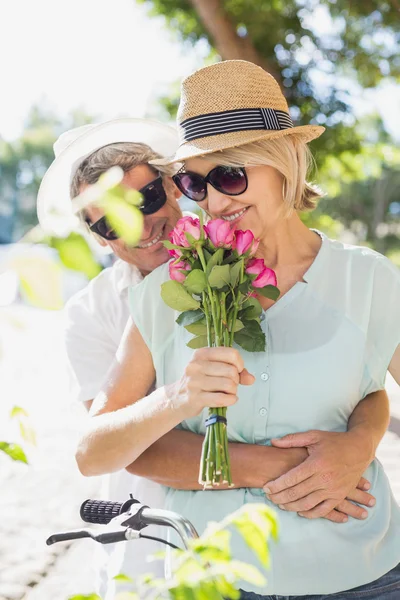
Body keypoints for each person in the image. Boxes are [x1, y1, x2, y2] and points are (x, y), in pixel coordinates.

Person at [74, 61, 400, 600]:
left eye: (229, 175)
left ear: (284, 162)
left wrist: (361, 442)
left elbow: (370, 392)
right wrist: (178, 396)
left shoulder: (368, 278)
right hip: (214, 579)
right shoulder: (165, 291)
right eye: (194, 183)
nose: (216, 202)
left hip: (363, 576)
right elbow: (92, 452)